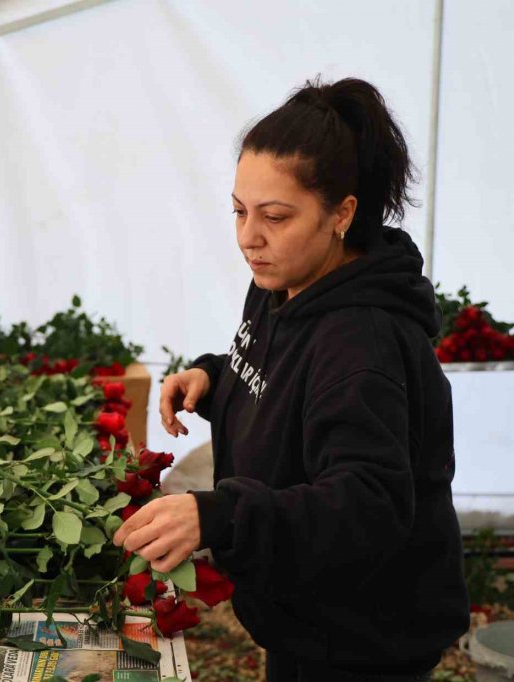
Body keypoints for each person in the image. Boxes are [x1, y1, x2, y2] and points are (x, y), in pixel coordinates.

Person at [112, 76, 470, 681]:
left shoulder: (363, 343)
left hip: (362, 637)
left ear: (342, 214)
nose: (248, 237)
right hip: (308, 607)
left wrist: (219, 515)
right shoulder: (283, 281)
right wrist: (214, 377)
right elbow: (285, 381)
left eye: (275, 216)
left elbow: (371, 503)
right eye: (239, 210)